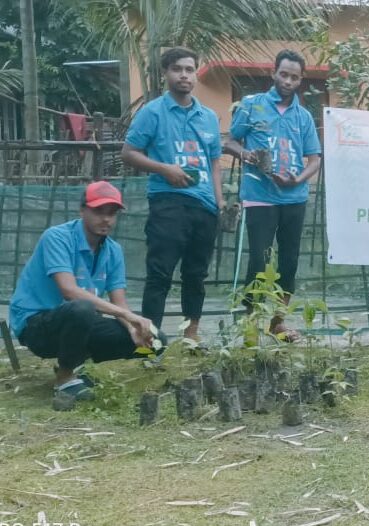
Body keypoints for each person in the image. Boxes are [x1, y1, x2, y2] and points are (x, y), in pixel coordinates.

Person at [7, 181, 156, 406]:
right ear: (82, 210)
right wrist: (129, 316)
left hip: (77, 321)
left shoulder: (114, 250)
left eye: (112, 213)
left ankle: (75, 364)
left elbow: (119, 303)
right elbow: (69, 291)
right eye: (98, 211)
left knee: (154, 339)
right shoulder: (57, 237)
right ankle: (65, 378)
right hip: (36, 326)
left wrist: (132, 328)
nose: (106, 219)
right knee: (82, 309)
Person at [121, 46, 224, 342]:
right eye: (177, 69)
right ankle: (149, 338)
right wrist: (164, 169)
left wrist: (219, 202)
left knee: (196, 274)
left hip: (205, 206)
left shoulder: (208, 117)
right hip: (168, 201)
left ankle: (191, 335)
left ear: (196, 74)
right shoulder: (152, 112)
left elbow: (214, 162)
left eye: (189, 69)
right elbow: (129, 153)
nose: (184, 75)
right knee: (160, 272)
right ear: (165, 73)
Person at [224, 49, 322, 340]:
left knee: (289, 262)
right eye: (284, 74)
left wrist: (298, 180)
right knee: (259, 260)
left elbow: (315, 159)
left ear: (301, 80)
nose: (288, 81)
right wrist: (247, 155)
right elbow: (230, 142)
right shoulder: (252, 105)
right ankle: (251, 322)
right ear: (273, 73)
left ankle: (278, 322)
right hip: (260, 195)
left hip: (295, 197)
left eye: (294, 77)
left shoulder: (304, 116)